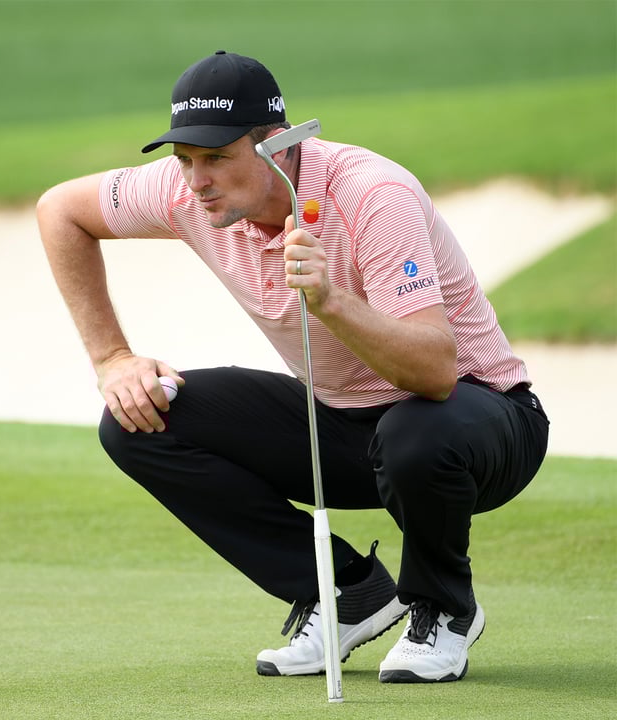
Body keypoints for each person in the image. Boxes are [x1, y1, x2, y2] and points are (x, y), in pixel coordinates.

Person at [36, 50, 549, 683]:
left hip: (480, 426)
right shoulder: (187, 191)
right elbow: (60, 210)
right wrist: (112, 357)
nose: (197, 180)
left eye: (218, 157)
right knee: (138, 420)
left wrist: (331, 302)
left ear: (276, 145)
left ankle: (444, 609)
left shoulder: (371, 194)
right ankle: (346, 591)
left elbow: (436, 371)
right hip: (344, 428)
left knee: (414, 429)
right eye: (185, 159)